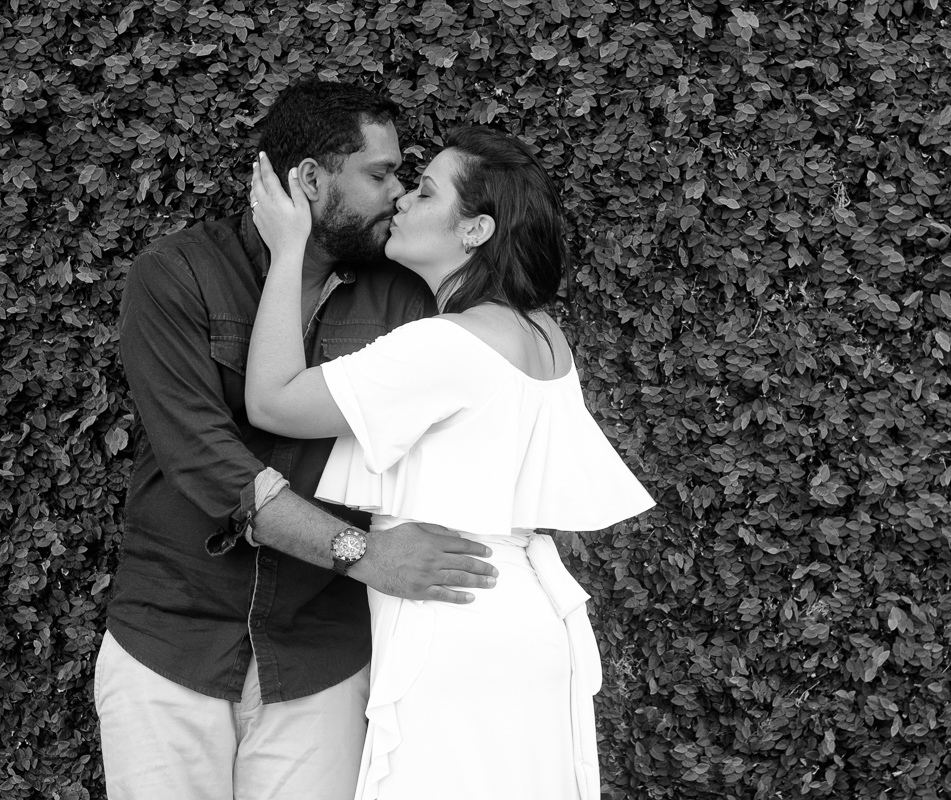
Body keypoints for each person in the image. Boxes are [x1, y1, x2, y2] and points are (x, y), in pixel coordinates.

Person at [95, 80, 499, 800]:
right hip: (170, 642)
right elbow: (207, 461)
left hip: (318, 656)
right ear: (310, 178)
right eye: (379, 175)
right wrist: (366, 555)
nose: (398, 194)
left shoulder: (402, 298)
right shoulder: (178, 274)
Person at [245, 126, 654, 799]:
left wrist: (288, 250)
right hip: (523, 624)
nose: (402, 199)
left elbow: (273, 401)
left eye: (427, 190)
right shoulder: (541, 332)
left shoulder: (444, 346)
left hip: (456, 626)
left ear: (475, 231)